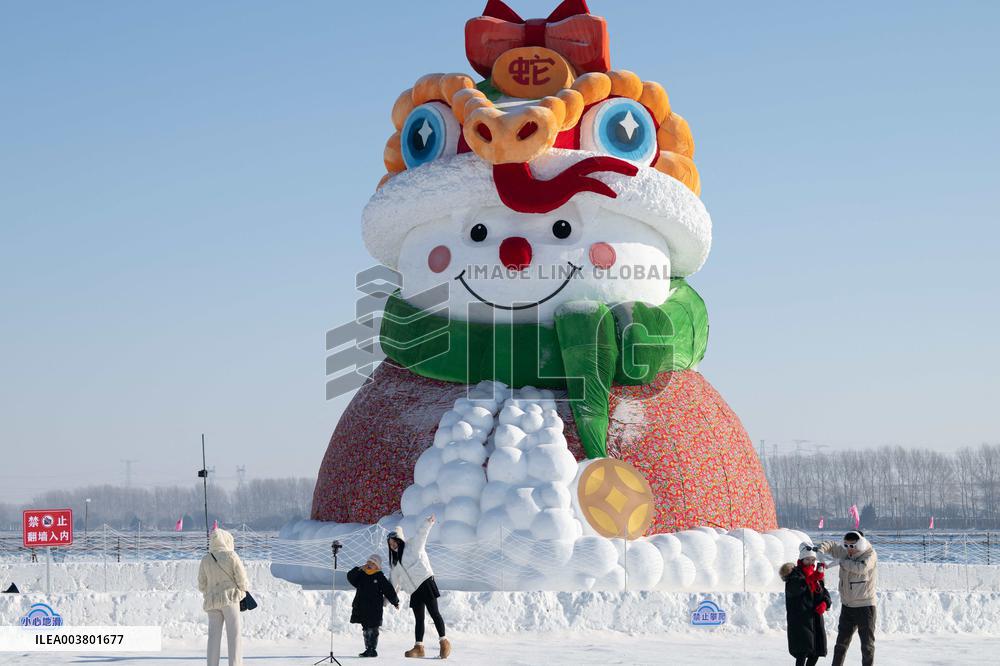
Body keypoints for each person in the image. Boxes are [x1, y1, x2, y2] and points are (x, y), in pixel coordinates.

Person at [387, 514, 451, 659]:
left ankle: (444, 641)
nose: (393, 545)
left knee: (434, 613)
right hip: (414, 590)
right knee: (419, 619)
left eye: (394, 542)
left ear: (399, 540)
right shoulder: (396, 565)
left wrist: (428, 523)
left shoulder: (412, 547)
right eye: (390, 544)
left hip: (425, 582)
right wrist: (392, 600)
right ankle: (419, 647)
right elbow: (393, 584)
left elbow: (421, 534)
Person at [816, 531, 878, 666]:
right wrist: (820, 550)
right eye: (846, 545)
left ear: (860, 544)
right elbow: (831, 545)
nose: (849, 549)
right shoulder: (845, 552)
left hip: (865, 607)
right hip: (847, 606)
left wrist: (841, 562)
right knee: (840, 645)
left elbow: (862, 568)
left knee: (867, 646)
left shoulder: (869, 554)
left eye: (852, 546)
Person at [197, 528, 249, 666]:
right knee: (234, 636)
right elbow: (243, 580)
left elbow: (202, 585)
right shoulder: (231, 556)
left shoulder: (205, 559)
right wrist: (243, 591)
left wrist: (212, 591)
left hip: (212, 602)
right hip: (230, 599)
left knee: (213, 638)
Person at [781, 545, 832, 666]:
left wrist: (825, 603)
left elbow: (824, 592)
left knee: (815, 653)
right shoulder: (794, 574)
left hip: (815, 619)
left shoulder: (816, 575)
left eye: (813, 560)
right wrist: (811, 578)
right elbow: (795, 589)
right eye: (807, 559)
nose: (810, 562)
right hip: (801, 619)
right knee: (802, 653)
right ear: (801, 560)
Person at [347, 553, 400, 658]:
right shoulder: (361, 574)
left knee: (373, 629)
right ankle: (368, 649)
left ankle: (372, 649)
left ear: (378, 566)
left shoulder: (379, 576)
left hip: (374, 609)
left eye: (373, 563)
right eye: (368, 562)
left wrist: (395, 601)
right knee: (366, 629)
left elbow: (388, 589)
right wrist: (358, 569)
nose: (370, 564)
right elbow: (350, 577)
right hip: (362, 607)